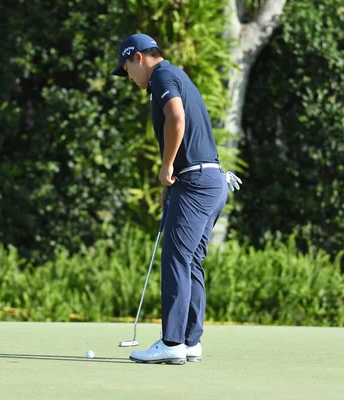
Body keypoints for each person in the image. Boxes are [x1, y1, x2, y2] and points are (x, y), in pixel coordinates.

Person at [112, 33, 241, 365]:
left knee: (176, 260)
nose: (128, 76)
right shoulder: (178, 74)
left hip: (196, 182)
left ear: (138, 58)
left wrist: (167, 167)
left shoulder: (162, 76)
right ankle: (190, 340)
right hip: (210, 181)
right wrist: (173, 180)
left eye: (126, 67)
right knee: (190, 262)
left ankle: (171, 342)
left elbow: (177, 118)